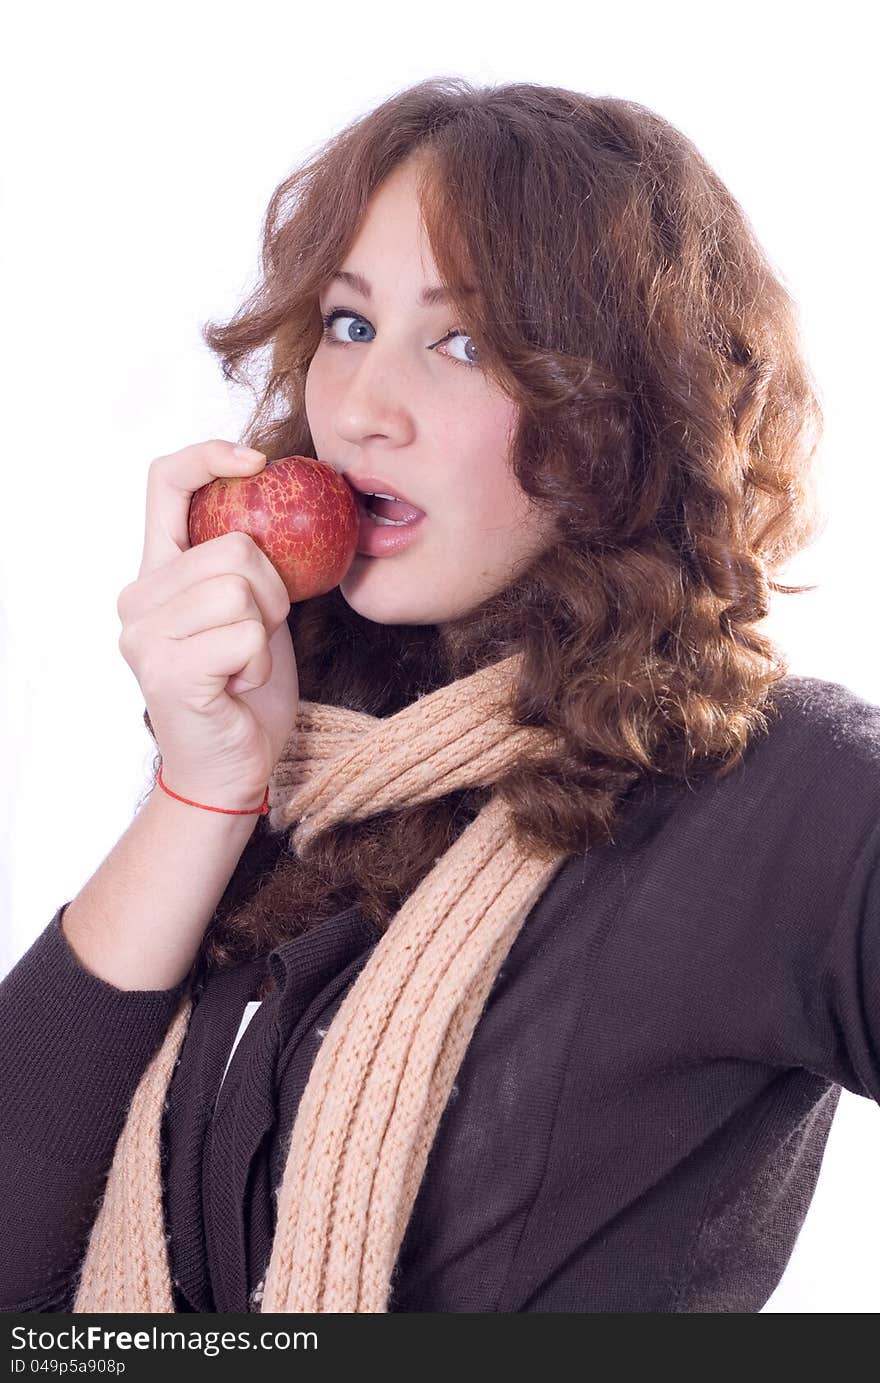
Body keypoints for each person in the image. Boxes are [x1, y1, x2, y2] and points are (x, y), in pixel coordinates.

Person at [2, 77, 878, 1315]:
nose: (358, 410)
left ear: (629, 411)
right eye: (350, 327)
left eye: (464, 343)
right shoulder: (319, 763)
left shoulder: (793, 797)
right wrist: (201, 794)